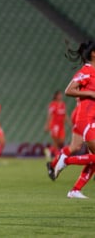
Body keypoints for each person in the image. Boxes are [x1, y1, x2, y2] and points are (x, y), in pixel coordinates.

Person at [54, 40, 95, 198]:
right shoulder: (87, 70)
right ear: (93, 53)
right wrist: (90, 94)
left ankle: (75, 190)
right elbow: (69, 90)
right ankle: (66, 161)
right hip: (85, 118)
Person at [44, 91, 70, 162]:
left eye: (61, 95)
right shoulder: (52, 104)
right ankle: (57, 157)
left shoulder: (63, 104)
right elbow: (49, 115)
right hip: (54, 125)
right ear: (55, 96)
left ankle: (49, 150)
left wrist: (69, 123)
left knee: (61, 141)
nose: (60, 96)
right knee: (56, 142)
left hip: (61, 126)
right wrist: (47, 125)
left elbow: (65, 115)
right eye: (59, 95)